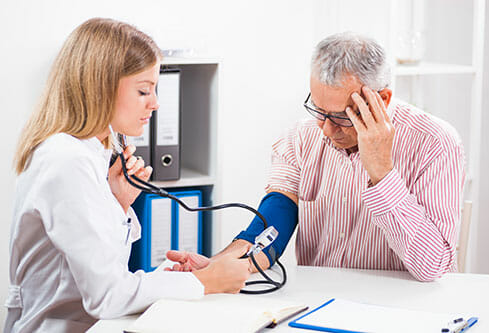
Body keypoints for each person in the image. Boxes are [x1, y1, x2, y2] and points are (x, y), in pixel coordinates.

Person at [6, 18, 251, 333]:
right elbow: (106, 297)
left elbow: (104, 273)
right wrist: (202, 281)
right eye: (143, 90)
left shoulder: (87, 153)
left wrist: (119, 203)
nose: (156, 103)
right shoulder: (66, 161)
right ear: (101, 86)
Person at [166, 32, 465, 283]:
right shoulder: (300, 138)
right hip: (319, 304)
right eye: (318, 110)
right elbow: (274, 220)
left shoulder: (435, 143)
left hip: (404, 309)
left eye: (341, 116)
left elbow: (433, 266)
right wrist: (221, 264)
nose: (326, 128)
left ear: (382, 100)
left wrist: (383, 174)